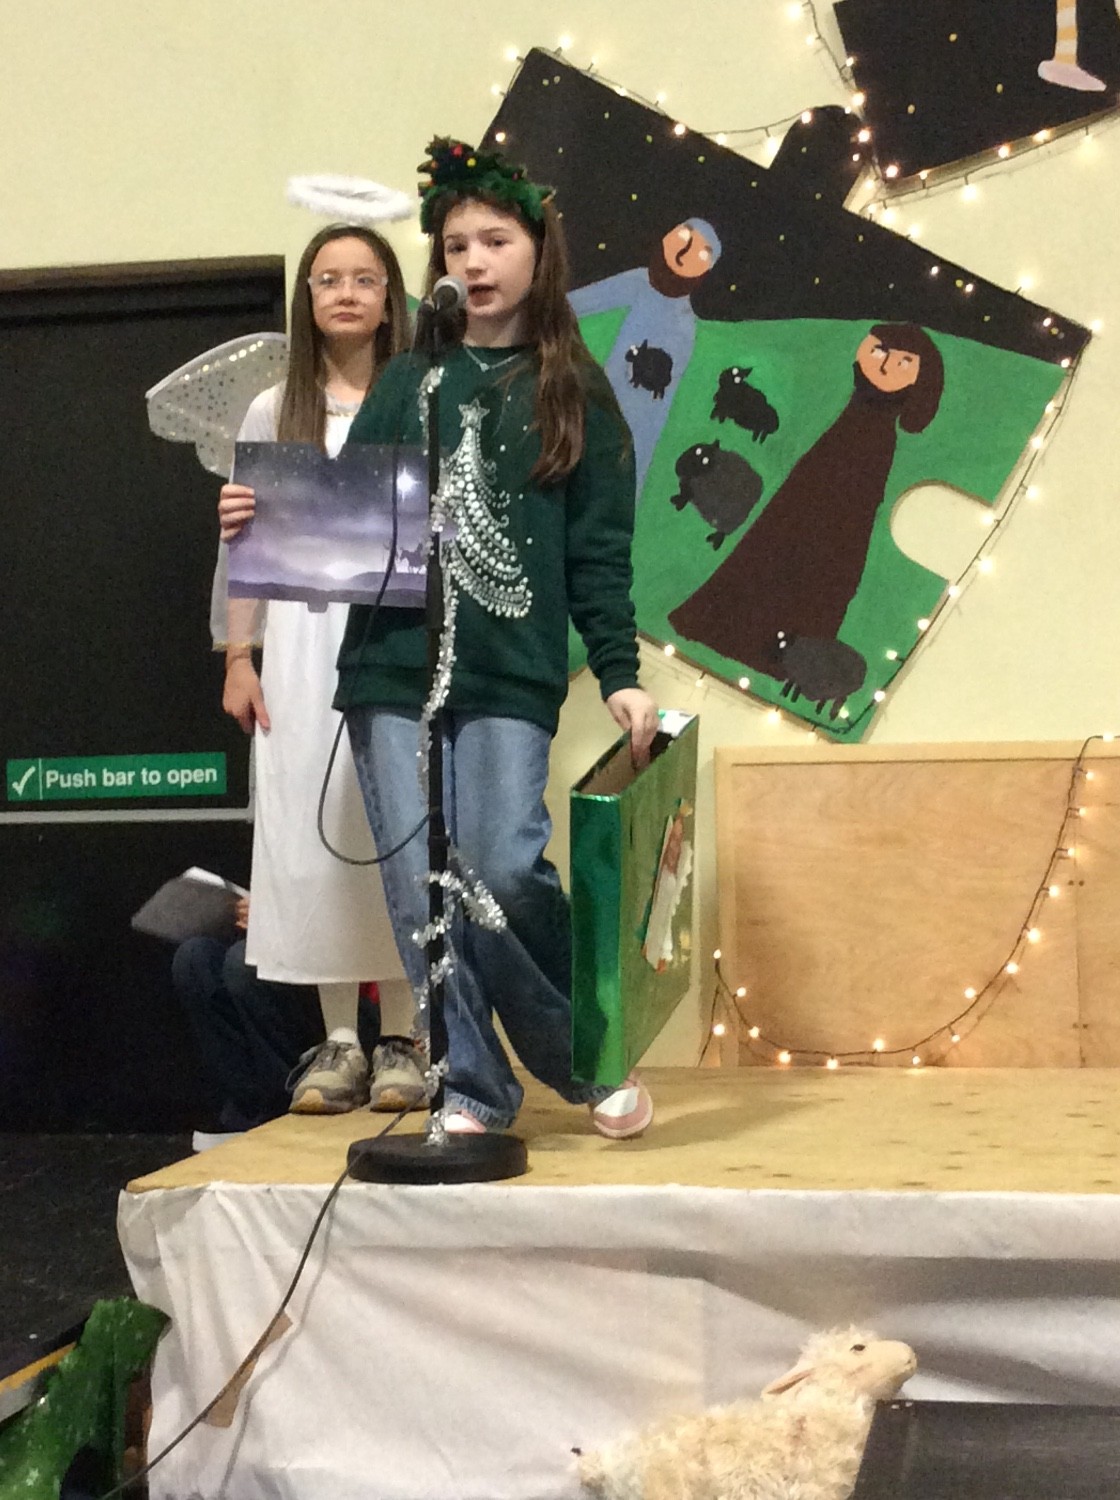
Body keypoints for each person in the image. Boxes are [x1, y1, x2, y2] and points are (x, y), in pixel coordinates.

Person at [334, 137, 661, 1139]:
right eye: (454, 246)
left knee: (504, 864)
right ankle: (470, 1085)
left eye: (494, 241)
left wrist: (618, 671)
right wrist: (260, 521)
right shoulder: (407, 381)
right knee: (419, 885)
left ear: (537, 251)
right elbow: (345, 522)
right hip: (392, 669)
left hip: (510, 670)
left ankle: (588, 1057)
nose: (472, 262)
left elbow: (599, 552)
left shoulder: (575, 390)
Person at [214, 222, 426, 1115]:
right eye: (328, 278)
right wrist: (240, 654)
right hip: (300, 647)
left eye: (364, 278)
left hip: (395, 634)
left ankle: (405, 1038)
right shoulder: (275, 409)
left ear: (390, 298)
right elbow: (245, 549)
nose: (346, 292)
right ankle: (341, 1041)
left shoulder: (420, 396)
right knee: (311, 832)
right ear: (307, 297)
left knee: (396, 828)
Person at [568, 217, 722, 496]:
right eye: (683, 236)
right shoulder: (639, 282)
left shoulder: (682, 327)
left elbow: (653, 402)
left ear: (705, 273)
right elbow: (580, 302)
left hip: (633, 423)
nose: (684, 251)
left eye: (701, 253)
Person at [171, 897, 327, 1150]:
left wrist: (278, 917)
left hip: (341, 995)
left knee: (244, 962)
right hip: (282, 959)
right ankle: (248, 1110)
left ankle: (289, 1106)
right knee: (194, 957)